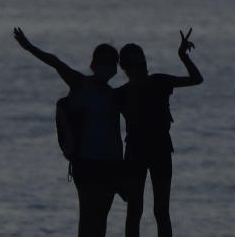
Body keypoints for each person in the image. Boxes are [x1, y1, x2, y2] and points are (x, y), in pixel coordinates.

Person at [13, 27, 124, 237]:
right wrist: (29, 47)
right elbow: (55, 62)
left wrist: (122, 168)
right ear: (94, 64)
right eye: (105, 61)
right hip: (86, 163)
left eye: (113, 63)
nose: (109, 67)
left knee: (101, 217)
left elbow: (116, 134)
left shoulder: (114, 95)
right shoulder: (80, 83)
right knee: (88, 215)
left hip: (111, 164)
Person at [115, 28, 203, 237]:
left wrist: (182, 56)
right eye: (137, 64)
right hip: (135, 151)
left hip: (161, 149)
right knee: (134, 210)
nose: (143, 66)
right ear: (126, 68)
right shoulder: (121, 94)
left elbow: (196, 79)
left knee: (161, 210)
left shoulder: (159, 81)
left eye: (143, 61)